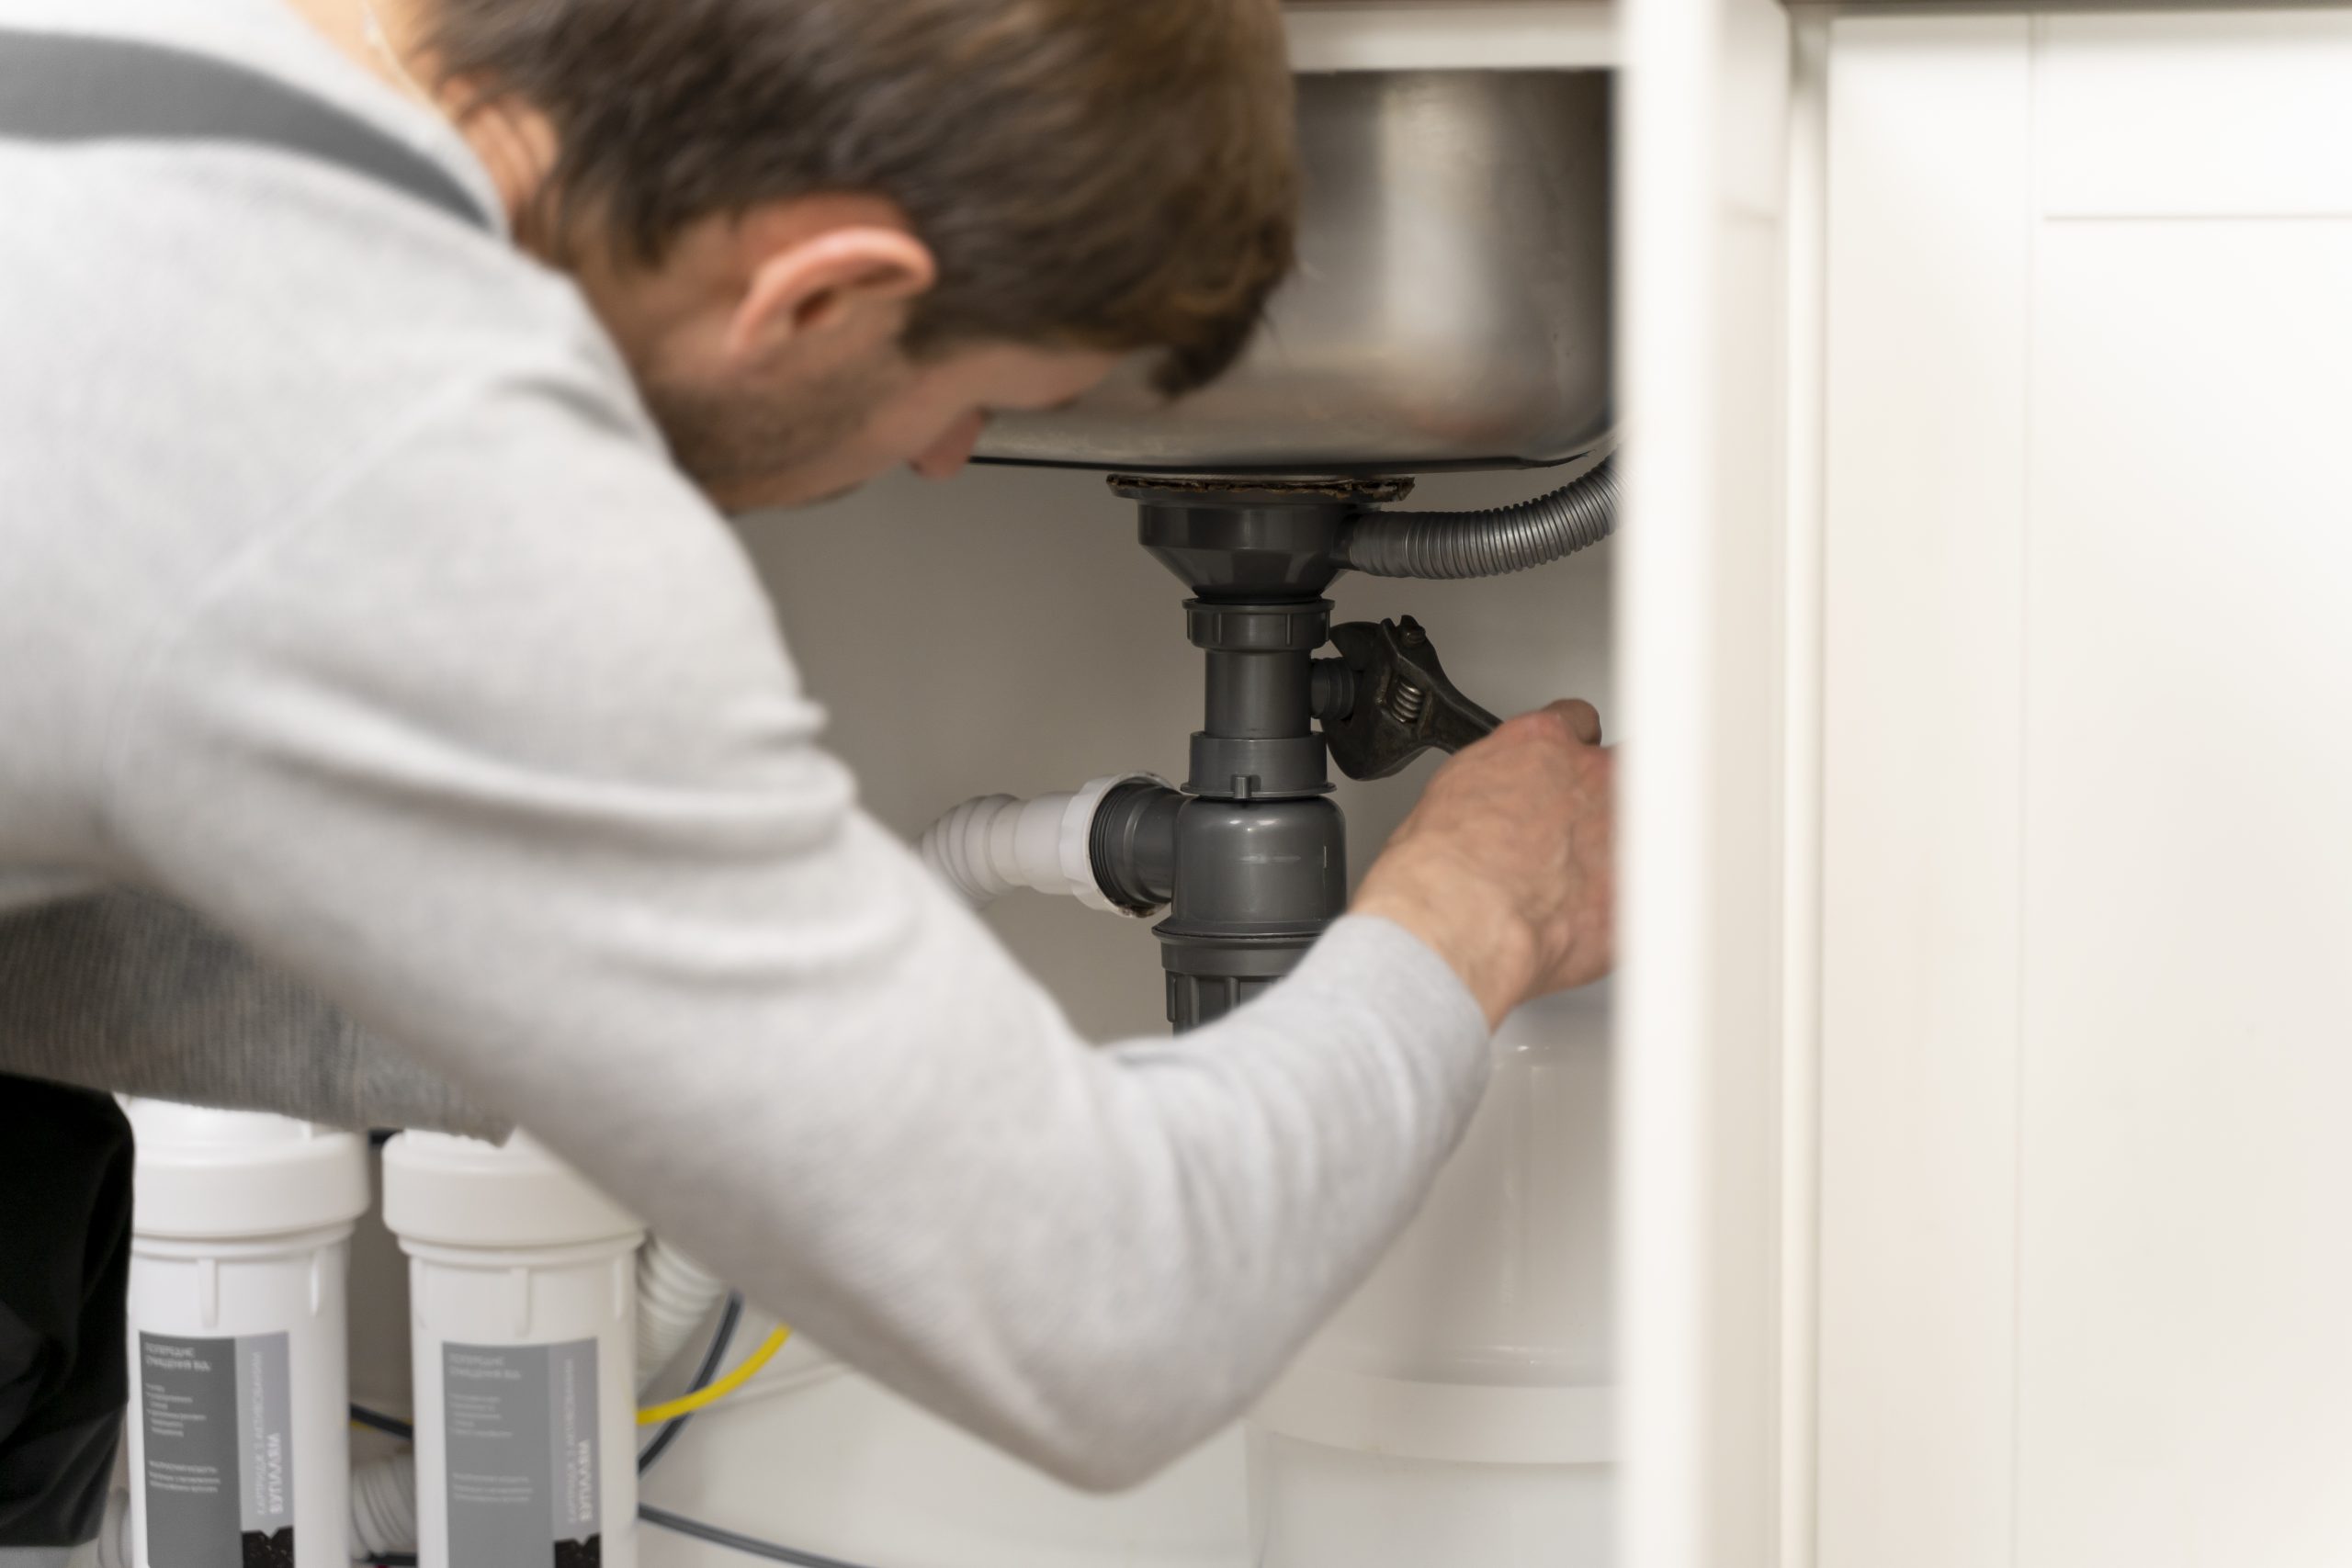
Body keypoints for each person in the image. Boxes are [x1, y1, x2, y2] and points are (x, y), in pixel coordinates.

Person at [0, 0, 1615, 1521]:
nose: (942, 455)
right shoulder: (425, 456)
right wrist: (1475, 910)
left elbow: (67, 926)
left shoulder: (155, 69)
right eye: (967, 392)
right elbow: (1107, 1308)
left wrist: (671, 1028)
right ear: (820, 292)